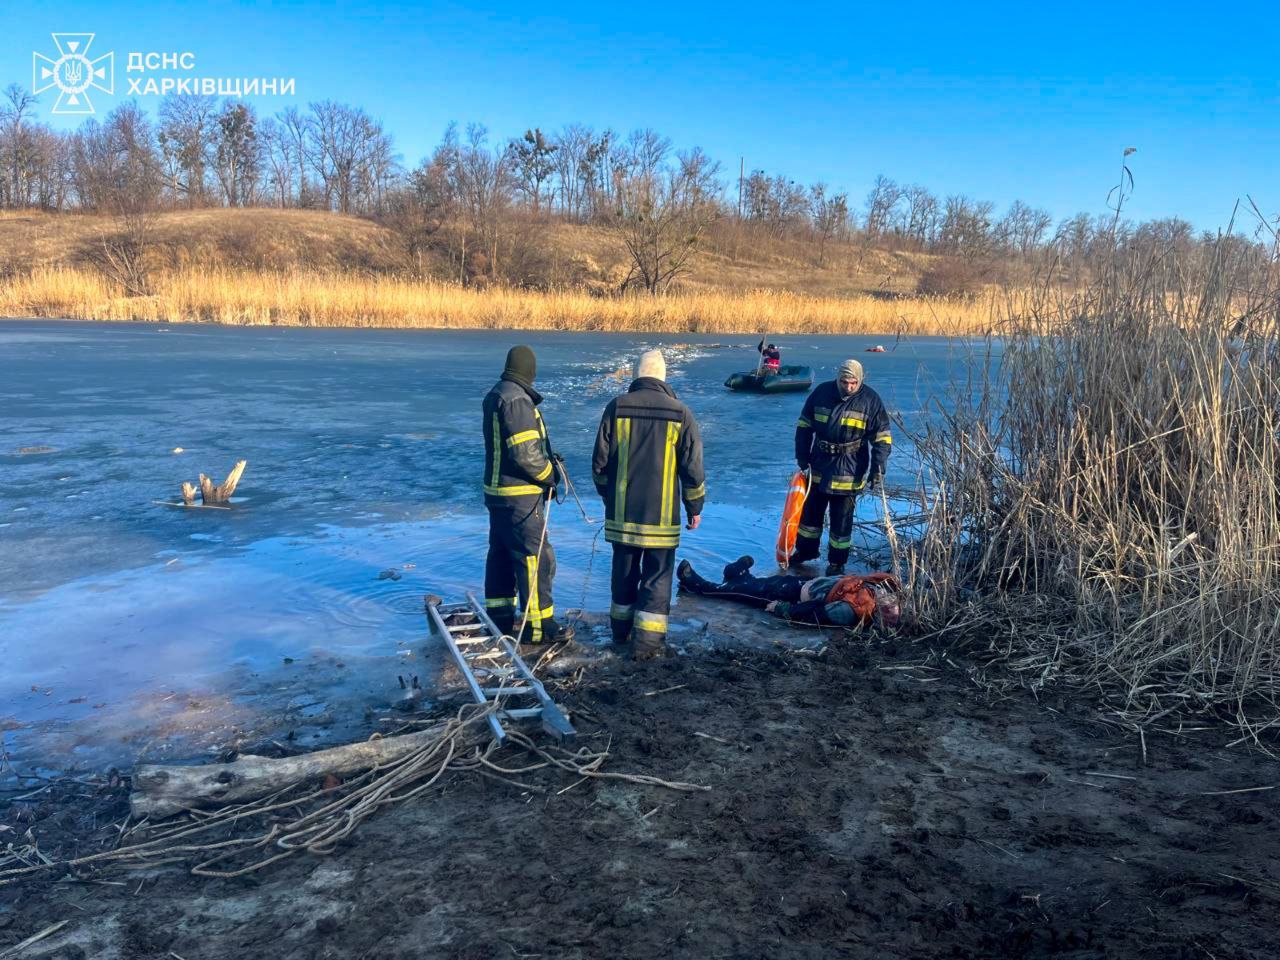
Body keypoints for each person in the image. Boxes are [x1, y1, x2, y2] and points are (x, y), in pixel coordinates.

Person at [593, 349, 706, 659]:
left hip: (622, 516)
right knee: (657, 579)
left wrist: (608, 498)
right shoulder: (681, 413)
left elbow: (600, 464)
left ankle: (620, 635)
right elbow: (692, 469)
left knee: (624, 575)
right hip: (661, 519)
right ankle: (647, 646)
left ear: (635, 374)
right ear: (663, 376)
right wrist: (694, 508)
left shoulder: (616, 408)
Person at [481, 345, 574, 644]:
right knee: (534, 558)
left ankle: (500, 620)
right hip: (520, 497)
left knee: (501, 556)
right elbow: (526, 455)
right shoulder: (517, 401)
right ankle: (538, 629)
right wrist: (551, 475)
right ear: (529, 372)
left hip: (498, 494)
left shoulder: (497, 394)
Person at [793, 359, 892, 575]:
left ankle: (837, 563)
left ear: (861, 380)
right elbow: (804, 426)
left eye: (853, 383)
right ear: (838, 379)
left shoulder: (870, 400)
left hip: (850, 467)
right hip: (819, 464)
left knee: (842, 521)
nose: (848, 387)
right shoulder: (821, 392)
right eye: (844, 382)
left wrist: (878, 468)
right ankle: (805, 552)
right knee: (810, 517)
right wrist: (802, 456)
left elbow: (882, 438)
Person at [676, 556, 900, 627]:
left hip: (793, 594)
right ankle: (737, 575)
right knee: (757, 586)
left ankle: (694, 584)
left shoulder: (853, 610)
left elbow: (814, 614)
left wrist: (783, 609)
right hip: (804, 584)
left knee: (742, 593)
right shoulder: (880, 587)